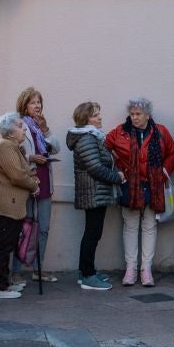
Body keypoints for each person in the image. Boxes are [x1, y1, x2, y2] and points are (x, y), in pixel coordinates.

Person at [105, 96, 174, 287]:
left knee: (149, 227)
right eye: (132, 114)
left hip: (153, 186)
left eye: (138, 114)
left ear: (147, 115)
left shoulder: (160, 131)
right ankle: (131, 269)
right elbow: (104, 149)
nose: (134, 117)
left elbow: (173, 153)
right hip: (130, 186)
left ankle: (146, 270)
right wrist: (118, 170)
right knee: (130, 227)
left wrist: (164, 171)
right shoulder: (120, 132)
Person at [0, 112, 39, 300]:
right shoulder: (6, 145)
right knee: (4, 245)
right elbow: (16, 175)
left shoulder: (13, 146)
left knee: (7, 242)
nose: (24, 130)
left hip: (10, 202)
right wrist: (33, 185)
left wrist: (30, 177)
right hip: (4, 202)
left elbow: (20, 172)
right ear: (10, 131)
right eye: (20, 126)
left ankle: (4, 281)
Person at [68, 102, 122, 290]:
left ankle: (86, 271)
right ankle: (88, 276)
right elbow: (95, 167)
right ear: (85, 119)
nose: (100, 117)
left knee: (93, 232)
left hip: (96, 192)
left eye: (99, 114)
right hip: (93, 192)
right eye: (95, 115)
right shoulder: (87, 139)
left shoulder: (92, 137)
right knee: (92, 233)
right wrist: (117, 177)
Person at [14, 87, 60, 283]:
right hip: (27, 183)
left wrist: (46, 129)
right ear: (24, 105)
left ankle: (37, 268)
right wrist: (32, 157)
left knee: (43, 227)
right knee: (24, 228)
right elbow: (13, 152)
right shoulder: (18, 125)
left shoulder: (40, 126)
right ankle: (16, 271)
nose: (37, 105)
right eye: (33, 102)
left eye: (39, 102)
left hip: (45, 183)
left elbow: (55, 148)